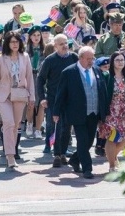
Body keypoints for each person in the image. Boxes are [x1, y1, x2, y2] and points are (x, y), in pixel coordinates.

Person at [53, 46, 108, 179]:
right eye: (88, 58)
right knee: (82, 141)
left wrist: (104, 113)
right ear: (81, 58)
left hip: (94, 113)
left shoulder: (96, 70)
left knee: (89, 142)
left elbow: (103, 92)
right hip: (77, 113)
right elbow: (60, 94)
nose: (91, 61)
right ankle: (87, 168)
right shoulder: (69, 72)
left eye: (93, 58)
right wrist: (56, 112)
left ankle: (75, 159)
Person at [0, 31, 35, 171]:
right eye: (12, 42)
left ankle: (12, 149)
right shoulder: (0, 59)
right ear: (7, 44)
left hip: (20, 95)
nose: (15, 44)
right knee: (8, 123)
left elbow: (29, 77)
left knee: (15, 126)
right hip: (4, 96)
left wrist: (32, 97)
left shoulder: (25, 57)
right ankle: (10, 155)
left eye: (17, 41)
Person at [36, 34, 79, 163]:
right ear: (55, 46)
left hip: (70, 99)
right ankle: (56, 153)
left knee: (66, 127)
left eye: (66, 43)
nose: (65, 46)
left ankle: (62, 152)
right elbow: (40, 79)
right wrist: (42, 98)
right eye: (61, 44)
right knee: (55, 126)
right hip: (53, 98)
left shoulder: (73, 58)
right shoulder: (49, 60)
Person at [99, 52, 125, 172]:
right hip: (110, 111)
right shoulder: (106, 76)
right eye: (117, 60)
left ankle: (113, 156)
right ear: (112, 62)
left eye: (122, 60)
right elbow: (102, 95)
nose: (120, 62)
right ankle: (111, 165)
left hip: (124, 111)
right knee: (112, 137)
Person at [24, 25, 45, 138]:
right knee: (31, 103)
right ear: (30, 37)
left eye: (38, 35)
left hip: (41, 77)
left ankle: (38, 129)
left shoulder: (45, 49)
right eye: (34, 35)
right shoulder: (25, 50)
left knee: (42, 103)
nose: (36, 38)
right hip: (30, 76)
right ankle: (29, 123)